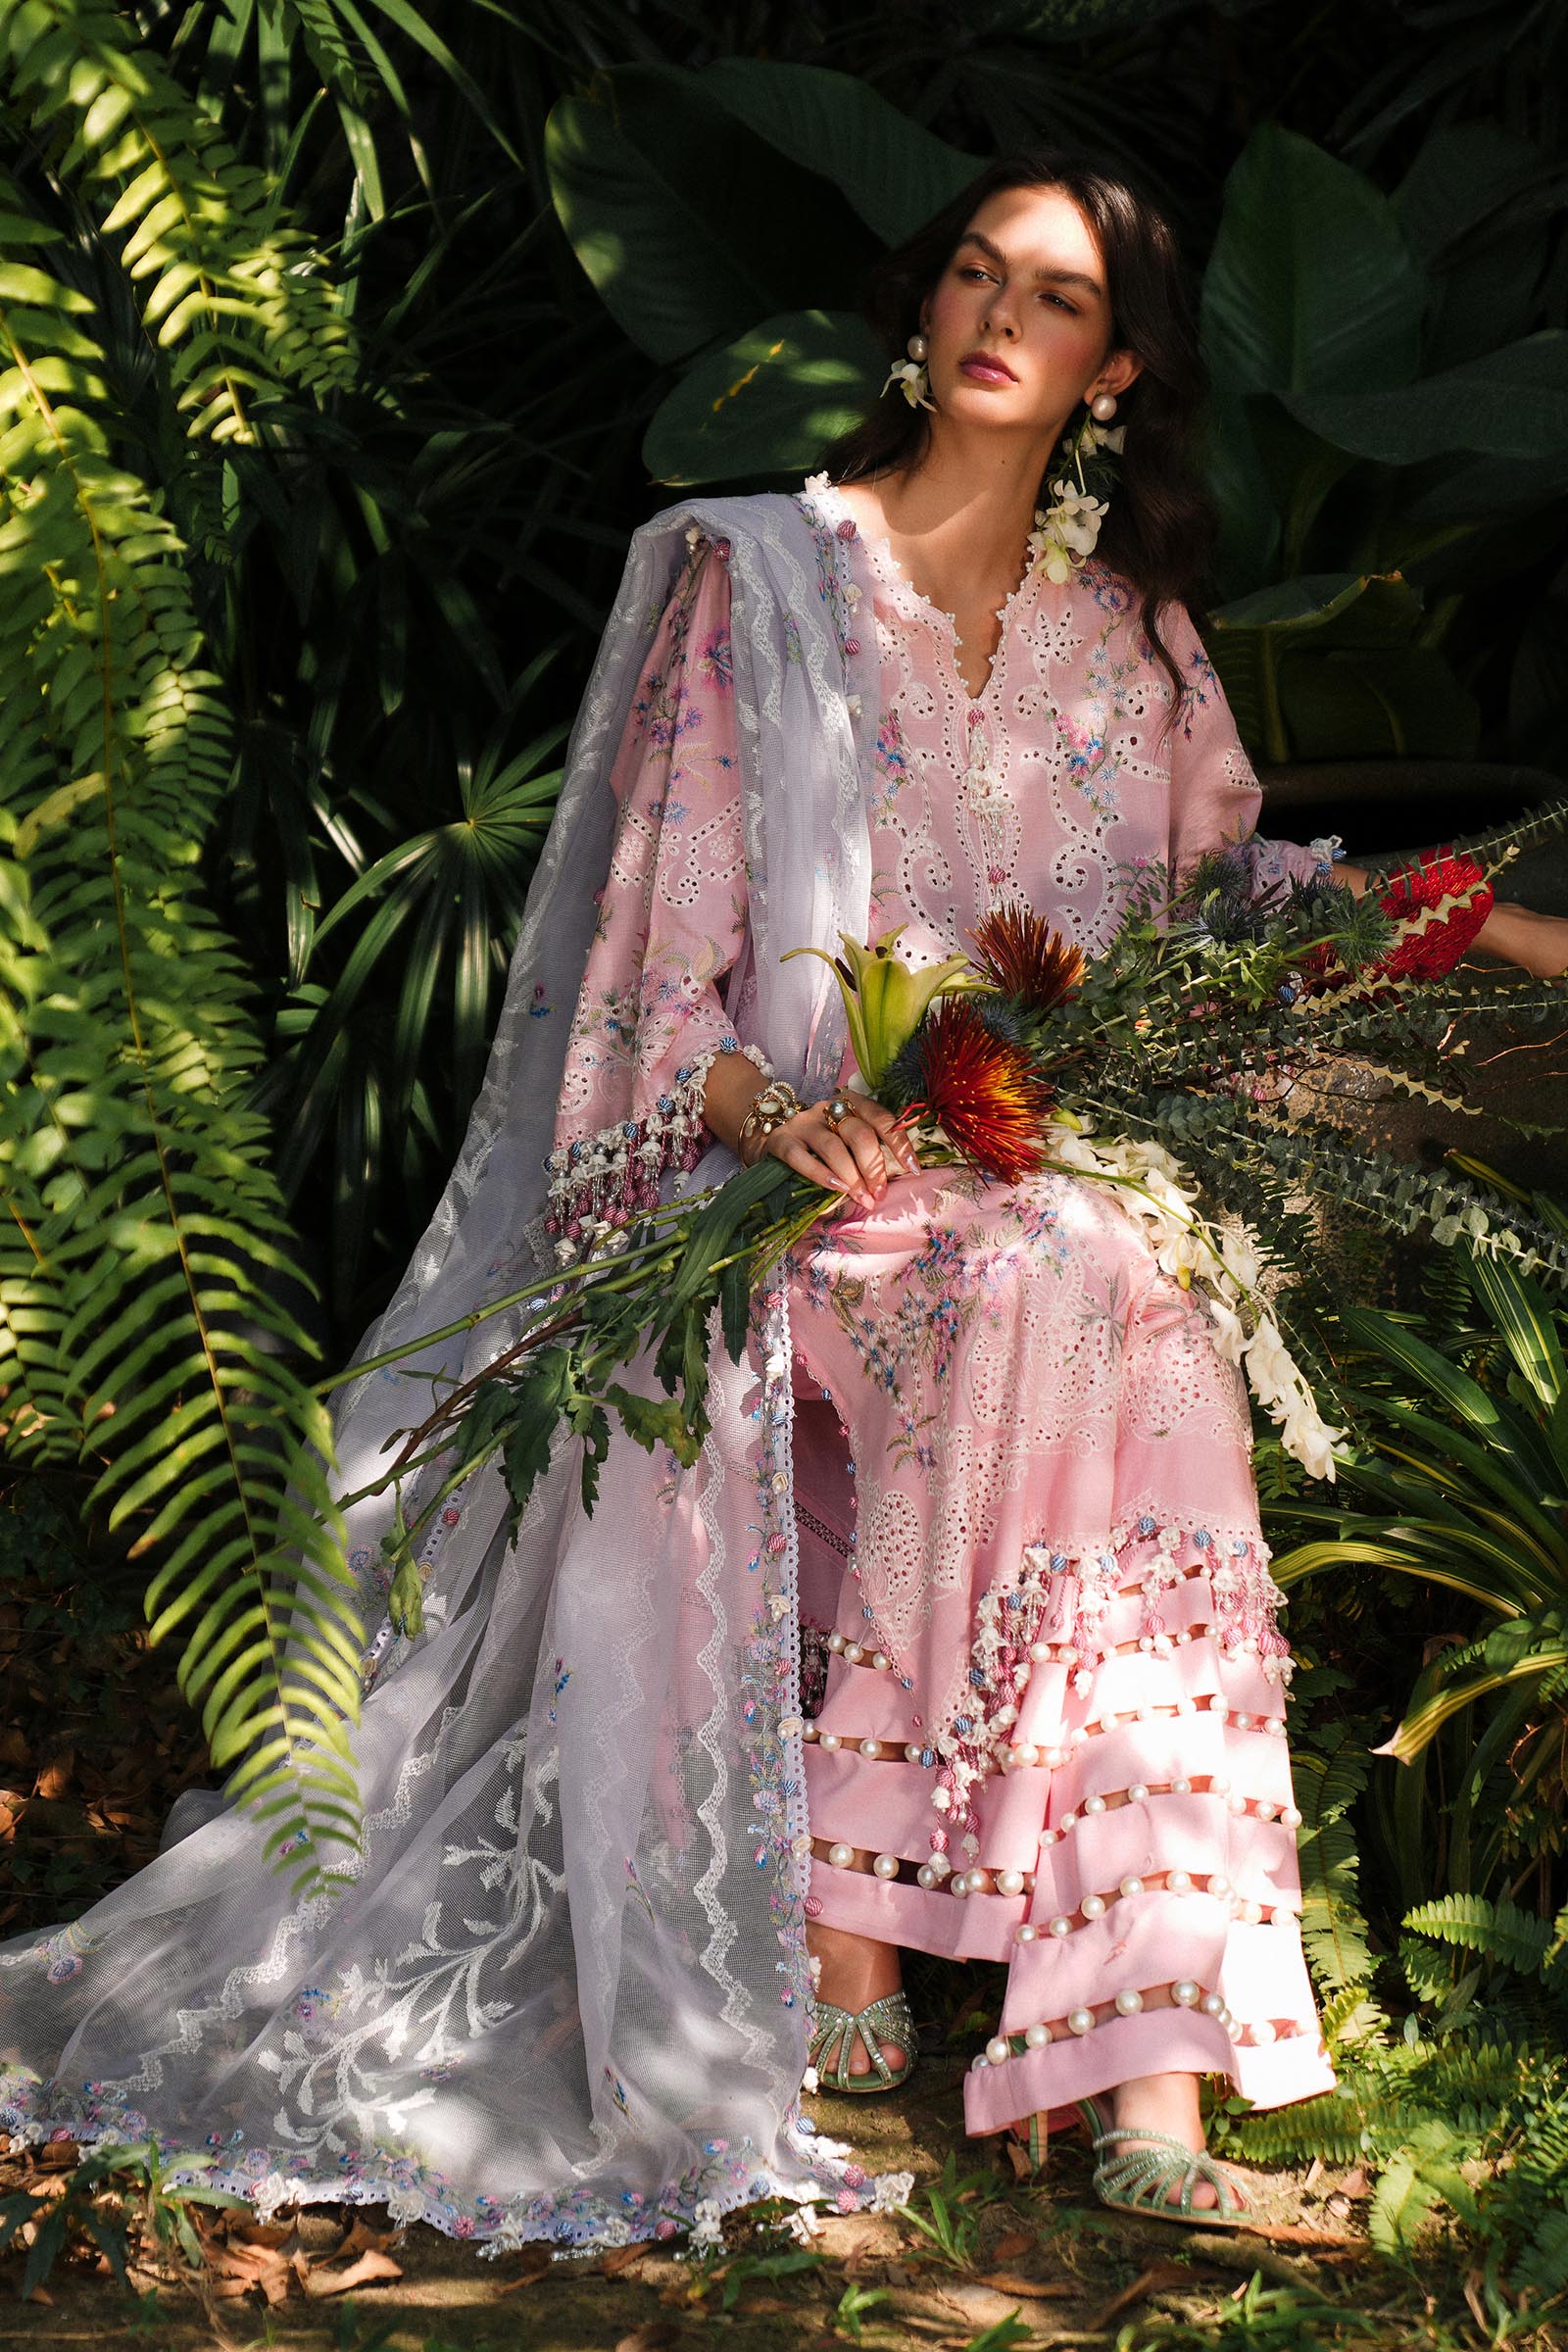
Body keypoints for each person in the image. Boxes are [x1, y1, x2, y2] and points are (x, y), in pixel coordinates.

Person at [3, 144, 1564, 2251]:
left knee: (1111, 1278)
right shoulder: (764, 585)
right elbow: (654, 982)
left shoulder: (1134, 645)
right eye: (973, 274)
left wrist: (1483, 926)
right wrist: (779, 1116)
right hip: (787, 1196)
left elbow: (1217, 919)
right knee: (1082, 1277)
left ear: (1113, 373)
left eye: (1057, 299)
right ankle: (959, 1962)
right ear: (926, 310)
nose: (999, 317)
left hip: (1030, 1195)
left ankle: (1107, 2022)